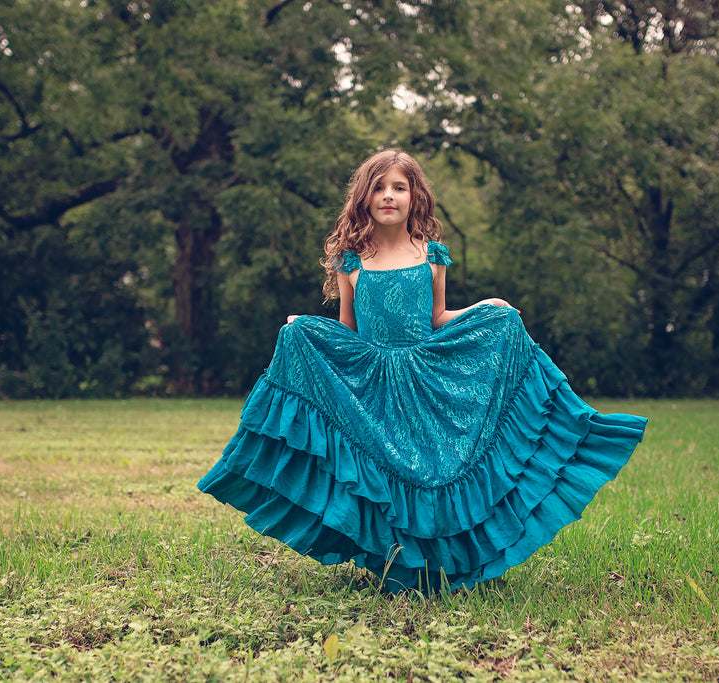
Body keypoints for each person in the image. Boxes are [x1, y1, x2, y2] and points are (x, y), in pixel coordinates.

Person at [198, 149, 647, 593]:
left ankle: (444, 563)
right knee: (386, 467)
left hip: (424, 370)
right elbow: (348, 331)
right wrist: (307, 331)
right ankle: (392, 559)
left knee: (434, 466)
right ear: (364, 197)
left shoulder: (431, 255)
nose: (389, 196)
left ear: (415, 198)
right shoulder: (352, 260)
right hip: (374, 376)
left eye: (399, 187)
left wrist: (483, 307)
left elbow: (437, 318)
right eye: (379, 187)